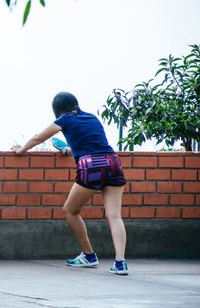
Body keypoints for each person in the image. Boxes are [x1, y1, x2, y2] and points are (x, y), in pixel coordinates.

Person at [11, 92, 129, 275]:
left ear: (57, 111)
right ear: (76, 103)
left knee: (70, 210)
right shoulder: (92, 118)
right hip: (113, 162)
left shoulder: (64, 119)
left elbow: (38, 138)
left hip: (91, 166)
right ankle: (120, 263)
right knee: (114, 216)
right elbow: (89, 141)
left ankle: (89, 255)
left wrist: (20, 151)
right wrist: (68, 149)